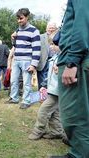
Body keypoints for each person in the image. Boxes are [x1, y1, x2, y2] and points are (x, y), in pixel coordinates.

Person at [50, 0, 89, 157]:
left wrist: (72, 61)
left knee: (74, 115)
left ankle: (79, 154)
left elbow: (82, 23)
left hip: (77, 61)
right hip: (82, 58)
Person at [28, 32, 65, 141]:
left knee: (43, 111)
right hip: (53, 89)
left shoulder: (65, 58)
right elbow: (49, 75)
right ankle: (57, 131)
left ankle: (39, 130)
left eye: (54, 44)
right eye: (50, 44)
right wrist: (44, 85)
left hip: (58, 91)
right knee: (55, 112)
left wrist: (61, 70)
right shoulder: (55, 57)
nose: (51, 47)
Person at [5, 8, 41, 109]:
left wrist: (34, 64)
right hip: (16, 60)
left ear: (27, 17)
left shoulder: (34, 31)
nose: (19, 21)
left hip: (27, 60)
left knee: (26, 83)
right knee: (13, 80)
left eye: (21, 18)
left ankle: (26, 101)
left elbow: (37, 49)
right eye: (17, 19)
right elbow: (15, 46)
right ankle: (14, 98)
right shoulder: (17, 30)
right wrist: (13, 39)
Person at [37, 22, 57, 90]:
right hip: (42, 60)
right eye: (50, 28)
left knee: (51, 76)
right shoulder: (40, 37)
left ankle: (50, 92)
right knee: (41, 76)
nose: (51, 29)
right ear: (46, 29)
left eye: (53, 28)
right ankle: (41, 94)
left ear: (56, 29)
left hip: (54, 59)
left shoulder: (58, 36)